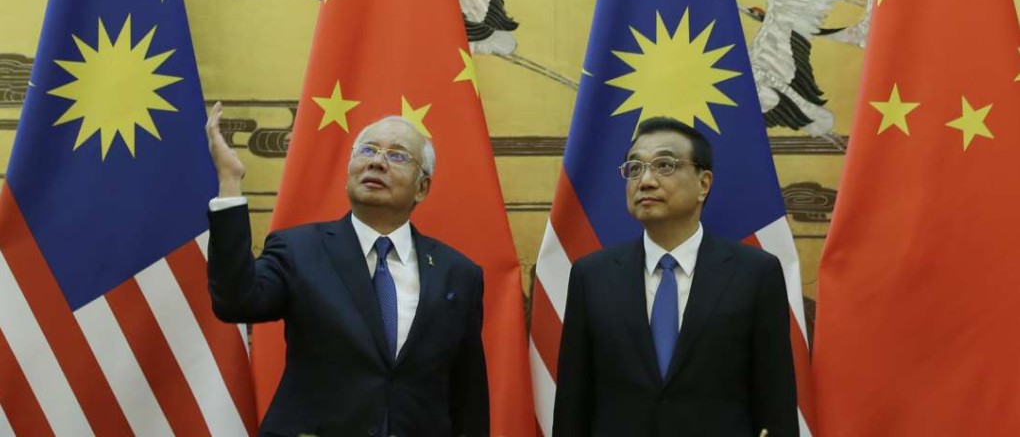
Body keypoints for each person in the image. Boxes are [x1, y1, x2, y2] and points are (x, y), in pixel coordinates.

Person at [205, 103, 488, 437]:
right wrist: (229, 183)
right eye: (367, 150)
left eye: (397, 156)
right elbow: (236, 301)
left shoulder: (458, 274)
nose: (377, 162)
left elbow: (468, 395)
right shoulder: (299, 250)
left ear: (422, 187)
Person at [552, 116, 797, 436]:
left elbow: (775, 402)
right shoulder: (592, 276)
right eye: (635, 168)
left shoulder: (754, 273)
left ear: (703, 183)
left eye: (665, 165)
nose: (646, 181)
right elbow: (574, 404)